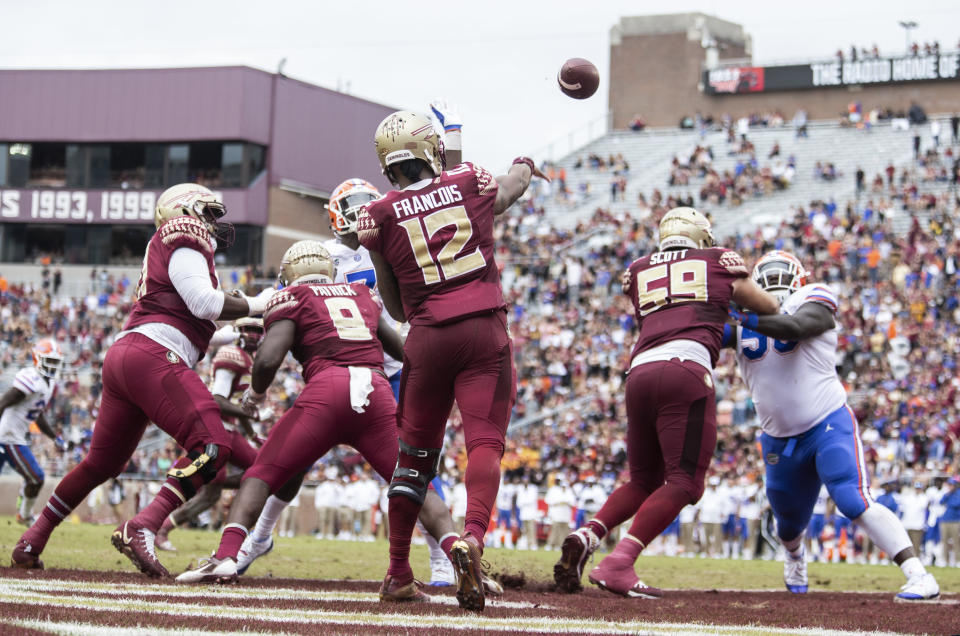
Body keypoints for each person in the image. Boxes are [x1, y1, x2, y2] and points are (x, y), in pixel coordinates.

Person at [174, 241, 479, 595]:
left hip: (328, 391)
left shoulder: (291, 297)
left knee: (260, 475)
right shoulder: (361, 294)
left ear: (289, 275)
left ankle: (226, 555)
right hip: (376, 391)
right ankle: (458, 551)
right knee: (413, 482)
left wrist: (255, 396)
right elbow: (402, 351)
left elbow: (268, 360)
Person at [12, 183, 273, 576]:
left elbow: (190, 320)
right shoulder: (183, 235)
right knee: (213, 446)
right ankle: (144, 525)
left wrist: (237, 330)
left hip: (130, 355)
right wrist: (259, 302)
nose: (212, 223)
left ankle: (32, 539)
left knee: (101, 463)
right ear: (184, 210)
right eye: (208, 212)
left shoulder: (172, 251)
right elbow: (205, 304)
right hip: (152, 355)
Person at [357, 107, 546, 611]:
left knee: (414, 459)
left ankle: (398, 570)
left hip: (426, 336)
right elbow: (510, 188)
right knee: (484, 440)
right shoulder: (469, 180)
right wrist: (526, 163)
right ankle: (474, 540)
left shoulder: (375, 216)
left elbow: (394, 306)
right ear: (430, 150)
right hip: (482, 326)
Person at [234, 174, 460, 588]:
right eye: (351, 210)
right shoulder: (322, 256)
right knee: (293, 461)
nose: (358, 218)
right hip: (341, 368)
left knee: (415, 466)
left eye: (365, 209)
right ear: (336, 217)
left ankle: (441, 557)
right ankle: (259, 536)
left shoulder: (400, 247)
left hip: (392, 372)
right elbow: (281, 297)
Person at [554, 207, 779, 598]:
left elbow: (668, 307)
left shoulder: (639, 269)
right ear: (701, 237)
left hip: (639, 372)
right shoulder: (718, 260)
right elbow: (767, 306)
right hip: (685, 368)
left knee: (642, 480)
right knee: (685, 481)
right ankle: (619, 561)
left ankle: (589, 534)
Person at [724, 250, 939, 600]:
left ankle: (919, 574)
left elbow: (796, 326)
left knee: (853, 500)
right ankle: (795, 556)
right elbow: (700, 334)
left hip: (826, 423)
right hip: (778, 438)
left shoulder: (812, 298)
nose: (776, 282)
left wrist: (738, 317)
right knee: (788, 525)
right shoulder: (743, 323)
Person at [155, 317, 265, 552]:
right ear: (237, 332)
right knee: (220, 490)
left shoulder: (249, 360)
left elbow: (239, 409)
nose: (254, 335)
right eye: (248, 330)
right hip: (216, 430)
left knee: (256, 473)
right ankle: (161, 528)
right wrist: (250, 415)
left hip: (230, 430)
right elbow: (218, 400)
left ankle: (165, 527)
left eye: (257, 331)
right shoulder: (231, 355)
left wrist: (252, 433)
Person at [0, 339, 67, 526]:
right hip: (8, 438)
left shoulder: (48, 385)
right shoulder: (31, 378)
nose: (52, 366)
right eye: (49, 361)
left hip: (13, 438)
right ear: (38, 359)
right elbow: (3, 402)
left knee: (36, 478)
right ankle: (25, 515)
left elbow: (38, 414)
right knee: (36, 477)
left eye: (55, 362)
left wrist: (54, 437)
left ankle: (24, 514)